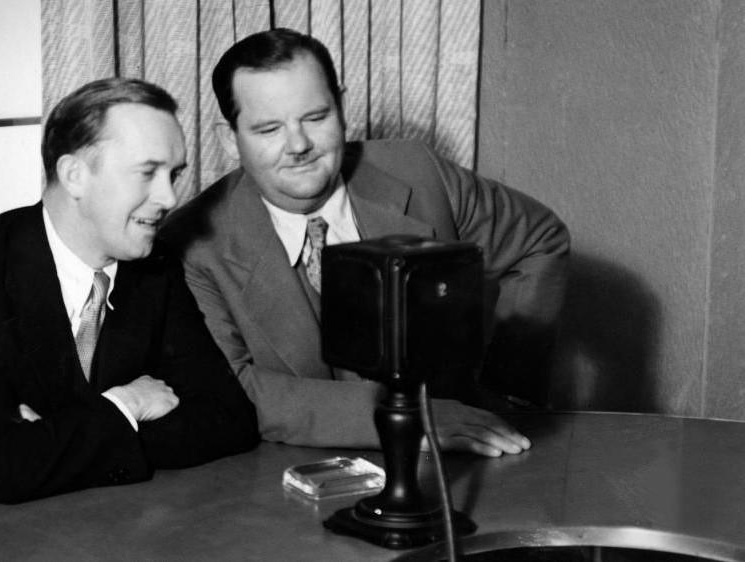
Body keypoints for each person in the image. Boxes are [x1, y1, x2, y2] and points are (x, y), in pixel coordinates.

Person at [0, 78, 259, 558]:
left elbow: (229, 420)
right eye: (147, 173)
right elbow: (2, 468)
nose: (168, 197)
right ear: (75, 174)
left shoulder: (155, 268)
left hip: (79, 528)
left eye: (174, 173)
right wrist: (126, 405)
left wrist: (50, 440)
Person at [161, 29, 569, 455]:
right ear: (230, 139)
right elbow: (229, 385)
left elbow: (540, 238)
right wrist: (410, 418)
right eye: (268, 129)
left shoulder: (420, 172)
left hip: (456, 465)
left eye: (315, 117)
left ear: (341, 107)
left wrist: (502, 394)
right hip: (282, 477)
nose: (298, 145)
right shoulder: (190, 244)